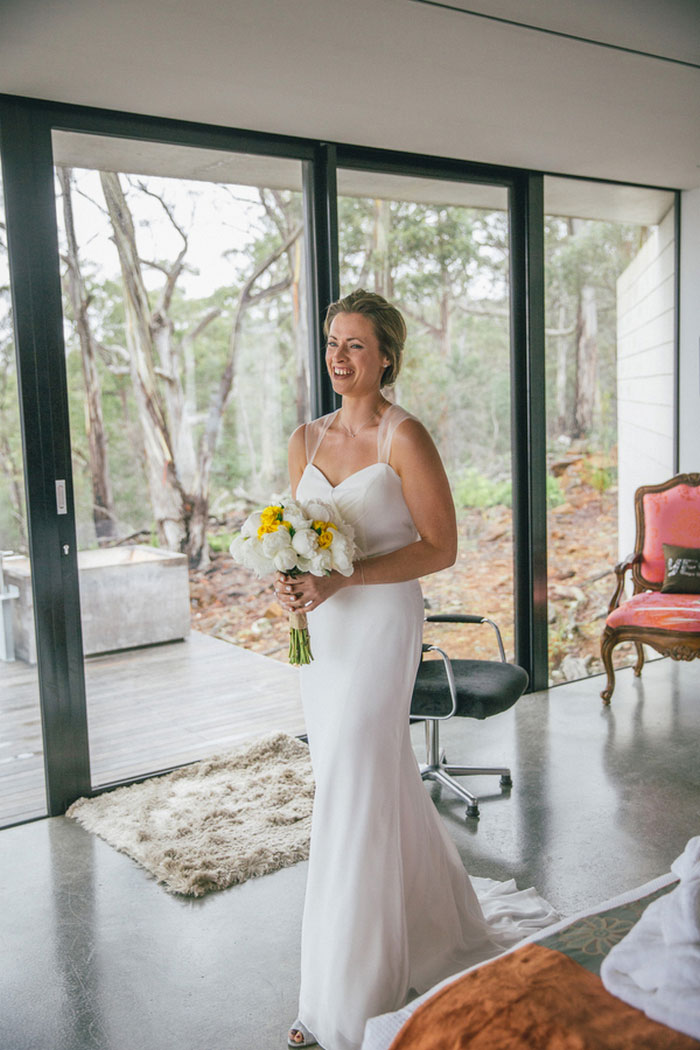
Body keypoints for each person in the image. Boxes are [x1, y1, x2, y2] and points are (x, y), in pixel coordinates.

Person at [275, 290, 554, 1050]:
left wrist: (342, 578)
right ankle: (429, 925)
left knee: (356, 782)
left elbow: (441, 547)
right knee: (363, 779)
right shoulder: (304, 438)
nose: (339, 357)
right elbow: (295, 531)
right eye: (333, 342)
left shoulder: (405, 436)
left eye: (356, 345)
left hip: (379, 626)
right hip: (324, 637)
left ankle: (343, 998)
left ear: (387, 355)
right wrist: (295, 578)